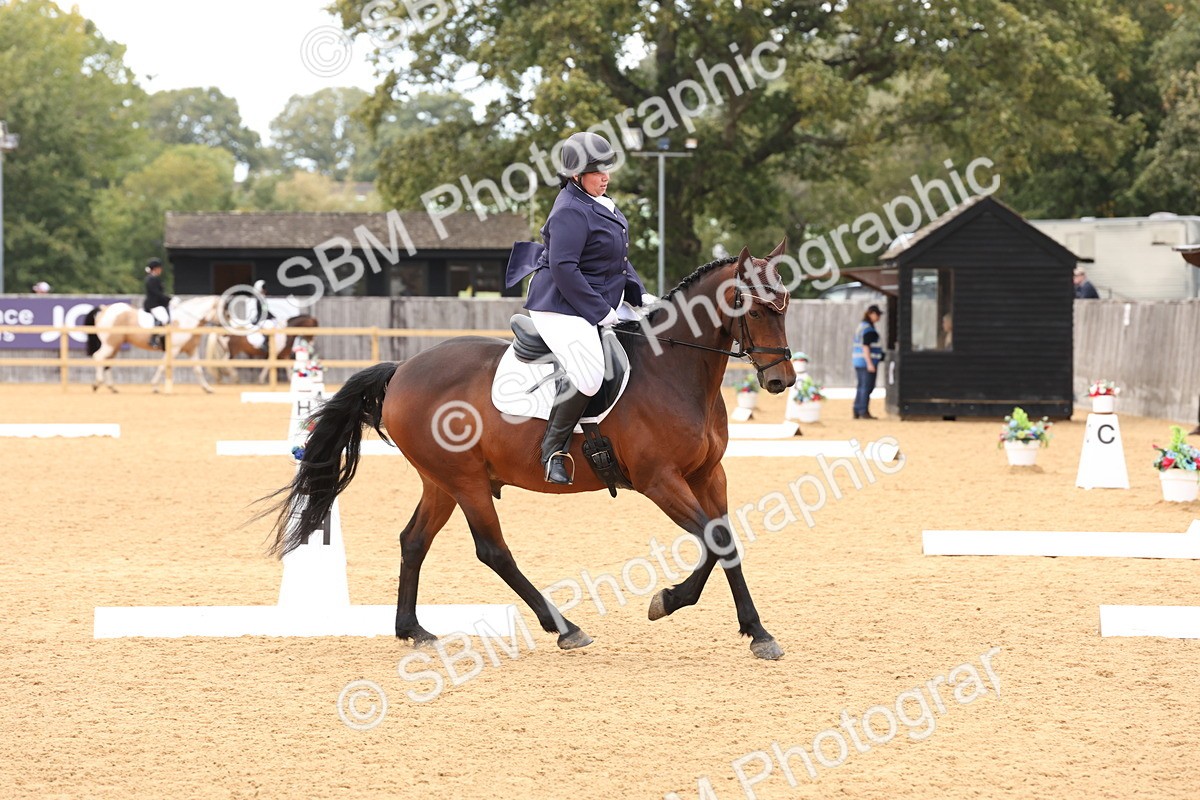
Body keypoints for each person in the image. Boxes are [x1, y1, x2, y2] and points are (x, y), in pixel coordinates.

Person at [515, 131, 655, 484]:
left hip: (591, 298)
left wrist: (639, 295)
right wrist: (601, 312)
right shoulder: (569, 210)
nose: (605, 177)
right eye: (596, 172)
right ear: (575, 175)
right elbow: (564, 268)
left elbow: (617, 260)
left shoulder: (601, 203)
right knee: (589, 376)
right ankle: (552, 451)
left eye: (607, 169)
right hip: (559, 305)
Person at [852, 304, 884, 419]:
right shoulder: (868, 329)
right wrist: (870, 363)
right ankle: (863, 411)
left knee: (861, 386)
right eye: (877, 314)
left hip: (858, 361)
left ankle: (857, 409)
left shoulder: (862, 326)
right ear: (871, 314)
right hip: (866, 363)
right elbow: (866, 347)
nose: (879, 317)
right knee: (867, 387)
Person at [143, 258, 172, 350]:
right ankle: (153, 338)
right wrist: (167, 298)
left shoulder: (155, 278)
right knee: (164, 318)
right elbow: (156, 293)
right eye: (160, 268)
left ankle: (163, 341)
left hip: (158, 304)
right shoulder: (151, 279)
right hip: (153, 305)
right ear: (155, 268)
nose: (161, 270)